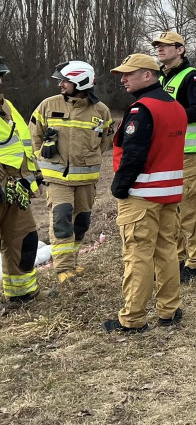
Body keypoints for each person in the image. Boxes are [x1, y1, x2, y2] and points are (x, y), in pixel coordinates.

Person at [104, 54, 187, 333]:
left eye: (129, 74)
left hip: (141, 195)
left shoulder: (142, 109)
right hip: (169, 193)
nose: (124, 79)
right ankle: (169, 310)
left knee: (138, 256)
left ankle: (133, 318)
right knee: (167, 251)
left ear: (148, 75)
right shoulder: (176, 107)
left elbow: (134, 154)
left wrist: (119, 187)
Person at [30, 61, 114, 284]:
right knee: (61, 219)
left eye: (65, 80)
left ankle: (73, 260)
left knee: (81, 222)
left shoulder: (101, 111)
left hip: (87, 180)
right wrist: (43, 155)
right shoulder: (48, 105)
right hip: (58, 180)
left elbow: (104, 141)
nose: (60, 84)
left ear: (80, 81)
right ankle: (63, 268)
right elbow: (35, 136)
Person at [152, 31, 196, 282]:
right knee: (170, 211)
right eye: (157, 46)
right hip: (168, 155)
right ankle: (176, 260)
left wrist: (166, 117)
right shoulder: (163, 80)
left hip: (187, 155)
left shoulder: (192, 76)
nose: (160, 49)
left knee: (189, 210)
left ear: (181, 50)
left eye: (166, 46)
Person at [0, 58, 43, 304]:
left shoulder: (7, 106)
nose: (1, 81)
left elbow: (23, 144)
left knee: (24, 239)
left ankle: (22, 293)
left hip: (16, 187)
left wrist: (33, 177)